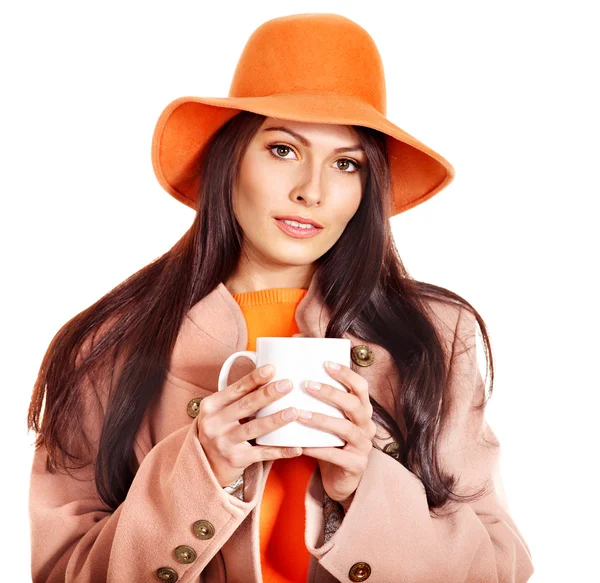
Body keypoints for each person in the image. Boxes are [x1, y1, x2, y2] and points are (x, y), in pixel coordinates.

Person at [27, 12, 534, 583]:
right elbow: (60, 574)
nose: (311, 191)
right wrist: (196, 476)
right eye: (283, 150)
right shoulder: (106, 345)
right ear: (231, 156)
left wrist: (366, 489)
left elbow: (500, 570)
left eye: (346, 164)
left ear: (367, 189)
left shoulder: (436, 336)